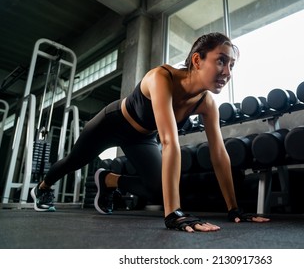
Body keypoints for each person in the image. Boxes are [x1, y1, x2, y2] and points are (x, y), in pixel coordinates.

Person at [30, 32, 270, 232]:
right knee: (74, 161)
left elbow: (219, 154)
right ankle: (42, 187)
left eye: (231, 65)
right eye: (221, 61)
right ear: (197, 61)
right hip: (111, 123)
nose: (228, 72)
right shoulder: (161, 77)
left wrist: (234, 209)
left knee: (160, 190)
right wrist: (174, 214)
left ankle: (108, 180)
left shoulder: (206, 104)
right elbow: (168, 141)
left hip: (141, 138)